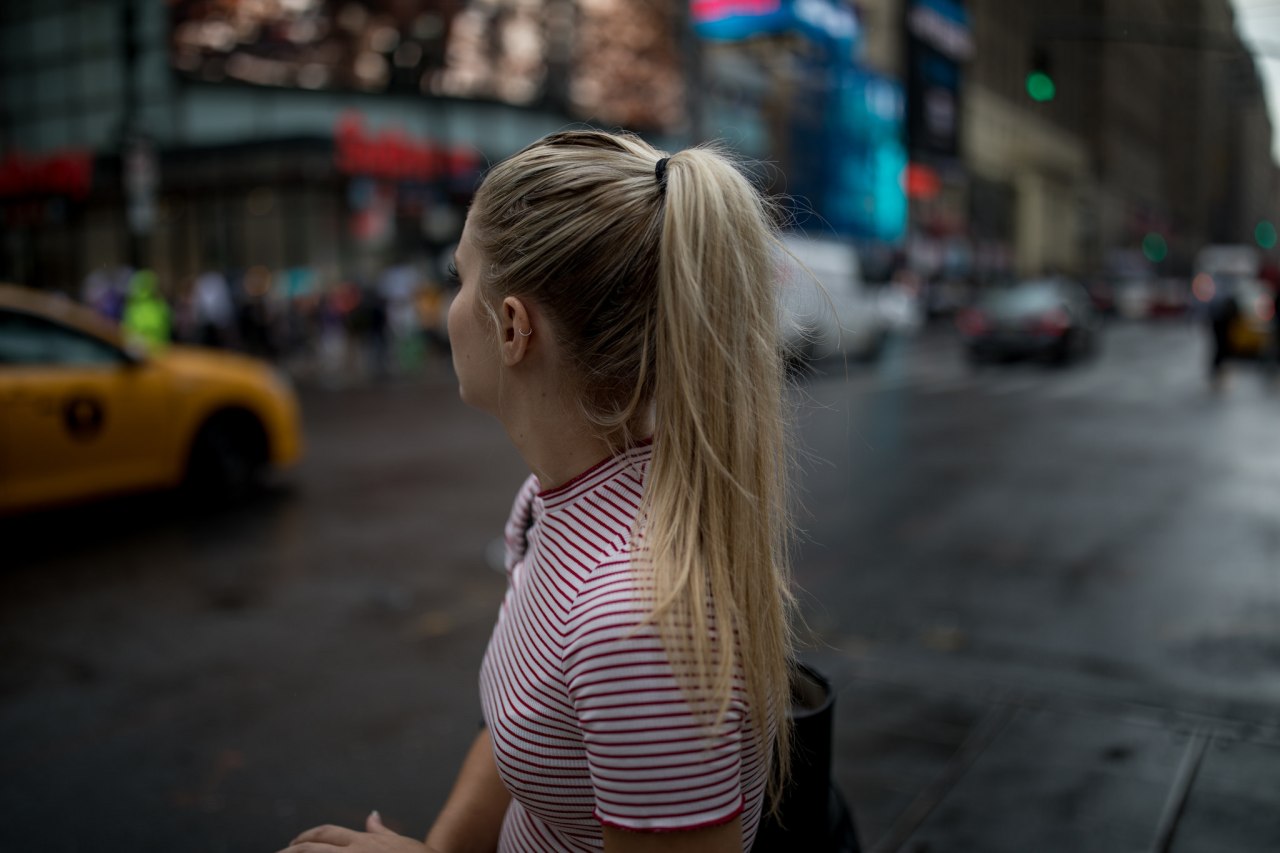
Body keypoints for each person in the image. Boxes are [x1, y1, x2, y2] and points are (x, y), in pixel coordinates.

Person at [280, 130, 798, 852]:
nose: (450, 308)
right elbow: (524, 733)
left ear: (515, 327)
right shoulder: (550, 500)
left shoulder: (636, 625)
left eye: (462, 279)